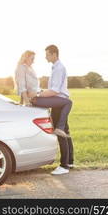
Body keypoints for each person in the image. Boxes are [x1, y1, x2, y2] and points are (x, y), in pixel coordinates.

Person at [30, 45, 74, 175]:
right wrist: (41, 92)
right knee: (65, 131)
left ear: (54, 54)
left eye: (47, 54)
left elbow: (55, 91)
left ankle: (64, 166)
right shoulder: (56, 67)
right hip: (58, 101)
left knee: (60, 133)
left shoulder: (59, 68)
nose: (46, 57)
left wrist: (37, 94)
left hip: (58, 102)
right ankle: (70, 161)